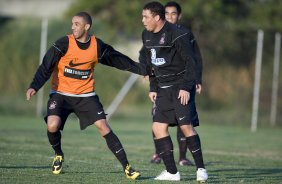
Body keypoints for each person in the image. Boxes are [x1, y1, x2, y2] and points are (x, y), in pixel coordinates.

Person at [26, 12, 147, 180]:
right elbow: (47, 65)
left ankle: (127, 167)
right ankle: (58, 154)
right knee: (52, 125)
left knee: (103, 126)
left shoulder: (97, 46)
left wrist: (142, 70)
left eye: (76, 24)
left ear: (87, 26)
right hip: (61, 94)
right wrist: (34, 85)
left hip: (86, 95)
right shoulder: (63, 43)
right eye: (72, 24)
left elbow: (118, 60)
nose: (73, 27)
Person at [140, 2, 208, 182]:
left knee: (186, 127)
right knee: (157, 127)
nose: (143, 20)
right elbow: (150, 65)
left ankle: (201, 169)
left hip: (180, 86)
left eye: (146, 17)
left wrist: (187, 86)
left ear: (156, 17)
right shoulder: (146, 35)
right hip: (163, 88)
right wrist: (153, 87)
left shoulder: (177, 34)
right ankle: (172, 172)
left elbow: (191, 62)